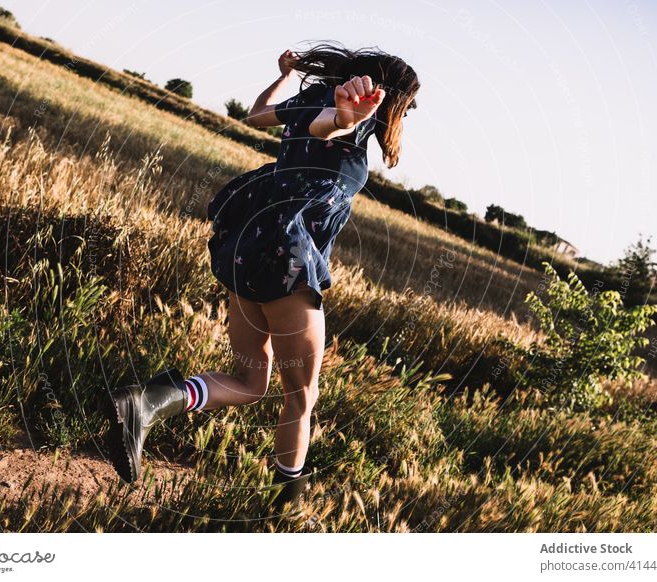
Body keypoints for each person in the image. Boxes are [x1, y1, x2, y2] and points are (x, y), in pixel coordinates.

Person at [104, 41, 420, 511]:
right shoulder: (352, 114)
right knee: (301, 398)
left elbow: (258, 116)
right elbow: (329, 127)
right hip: (288, 260)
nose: (408, 112)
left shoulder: (311, 100)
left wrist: (288, 76)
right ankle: (282, 507)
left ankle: (148, 402)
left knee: (250, 381)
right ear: (390, 93)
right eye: (408, 102)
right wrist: (348, 117)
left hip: (249, 247)